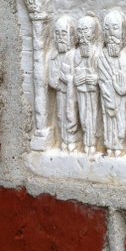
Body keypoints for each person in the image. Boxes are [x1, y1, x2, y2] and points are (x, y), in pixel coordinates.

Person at [98, 11, 126, 157]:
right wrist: (109, 92)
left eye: (115, 28)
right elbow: (102, 79)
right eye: (107, 28)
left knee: (120, 125)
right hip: (107, 97)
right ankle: (110, 146)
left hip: (120, 99)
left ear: (123, 32)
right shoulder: (101, 55)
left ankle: (119, 145)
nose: (111, 33)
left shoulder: (125, 57)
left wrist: (121, 88)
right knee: (108, 122)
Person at [48, 16, 79, 152]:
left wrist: (68, 79)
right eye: (58, 34)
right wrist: (56, 80)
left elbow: (78, 75)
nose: (60, 37)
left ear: (72, 36)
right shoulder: (54, 56)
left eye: (64, 33)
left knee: (71, 115)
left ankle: (72, 141)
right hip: (61, 92)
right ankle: (63, 140)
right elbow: (51, 79)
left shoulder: (75, 55)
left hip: (73, 94)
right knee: (61, 116)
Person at [73, 15, 102, 156]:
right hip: (81, 91)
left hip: (94, 92)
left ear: (93, 33)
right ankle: (86, 142)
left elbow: (103, 72)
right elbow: (72, 70)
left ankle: (93, 143)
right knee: (84, 116)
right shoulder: (77, 53)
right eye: (80, 30)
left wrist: (95, 78)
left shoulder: (98, 52)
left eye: (86, 30)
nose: (83, 34)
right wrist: (76, 78)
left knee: (94, 116)